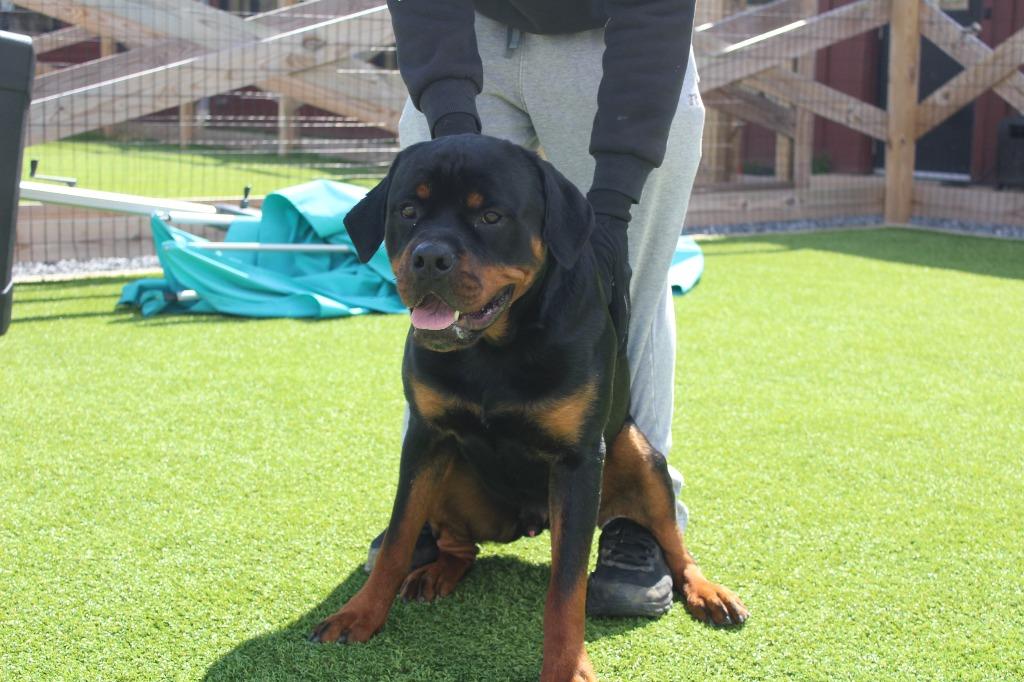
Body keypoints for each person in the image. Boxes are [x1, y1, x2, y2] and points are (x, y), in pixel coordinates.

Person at [365, 0, 704, 618]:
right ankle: (437, 511)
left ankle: (634, 518)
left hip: (611, 40)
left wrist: (612, 204)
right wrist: (450, 120)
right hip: (467, 31)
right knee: (444, 272)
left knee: (633, 283)